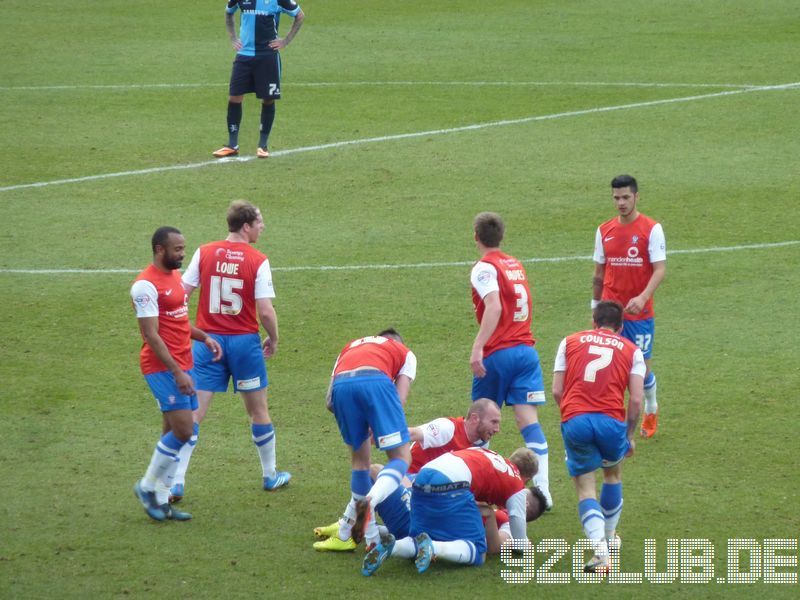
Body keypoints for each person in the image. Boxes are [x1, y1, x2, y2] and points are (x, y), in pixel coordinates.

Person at [172, 200, 289, 501]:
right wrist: (273, 339)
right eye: (260, 222)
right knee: (258, 410)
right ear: (246, 226)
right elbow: (265, 311)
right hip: (243, 345)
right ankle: (270, 475)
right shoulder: (258, 260)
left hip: (206, 343)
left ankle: (176, 480)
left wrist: (179, 327)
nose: (263, 227)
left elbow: (181, 295)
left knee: (194, 413)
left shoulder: (204, 251)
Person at [313, 399, 502, 551]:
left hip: (430, 498)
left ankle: (350, 528)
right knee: (377, 471)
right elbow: (412, 433)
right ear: (475, 418)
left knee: (376, 472)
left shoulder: (481, 444)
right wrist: (380, 435)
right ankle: (350, 527)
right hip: (411, 486)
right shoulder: (448, 428)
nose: (497, 429)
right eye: (494, 422)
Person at [130, 226, 222, 522]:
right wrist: (177, 373)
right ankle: (146, 487)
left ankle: (161, 499)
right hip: (162, 367)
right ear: (160, 249)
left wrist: (203, 336)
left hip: (183, 362)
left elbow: (178, 320)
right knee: (184, 430)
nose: (182, 254)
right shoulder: (145, 286)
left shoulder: (174, 279)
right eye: (178, 249)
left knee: (171, 431)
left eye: (183, 248)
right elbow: (151, 335)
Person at [552, 300, 645, 573]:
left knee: (585, 485)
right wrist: (629, 434)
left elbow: (557, 390)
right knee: (612, 476)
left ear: (594, 321)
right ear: (621, 326)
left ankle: (601, 551)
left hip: (576, 418)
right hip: (611, 422)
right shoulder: (632, 350)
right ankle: (611, 539)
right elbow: (637, 400)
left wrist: (572, 414)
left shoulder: (568, 342)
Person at [469, 211, 552, 508]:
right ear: (501, 236)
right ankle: (543, 491)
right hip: (526, 352)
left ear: (476, 237)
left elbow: (493, 307)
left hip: (499, 354)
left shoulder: (484, 268)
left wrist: (478, 346)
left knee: (481, 420)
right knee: (529, 422)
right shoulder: (515, 264)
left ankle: (479, 487)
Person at [362, 447, 539, 576]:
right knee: (478, 551)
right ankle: (432, 548)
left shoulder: (490, 455)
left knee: (416, 536)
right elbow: (515, 525)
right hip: (449, 486)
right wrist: (523, 546)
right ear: (527, 480)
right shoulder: (516, 486)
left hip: (424, 476)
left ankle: (391, 546)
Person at [325, 329, 417, 556]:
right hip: (375, 383)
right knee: (402, 457)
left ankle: (367, 539)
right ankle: (371, 501)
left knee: (360, 464)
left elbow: (329, 402)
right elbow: (399, 399)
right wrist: (380, 422)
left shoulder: (349, 346)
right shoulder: (405, 353)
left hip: (342, 388)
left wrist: (360, 419)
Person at [592, 174, 666, 438]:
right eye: (616, 198)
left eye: (625, 197)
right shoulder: (604, 230)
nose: (621, 203)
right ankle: (611, 416)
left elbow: (659, 269)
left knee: (641, 369)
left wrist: (644, 296)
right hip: (609, 312)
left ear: (636, 196)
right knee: (609, 365)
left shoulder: (651, 229)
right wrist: (595, 305)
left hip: (639, 313)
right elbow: (599, 272)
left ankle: (651, 406)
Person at [212, 0, 305, 159]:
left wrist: (285, 41)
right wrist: (233, 38)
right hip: (244, 56)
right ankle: (232, 144)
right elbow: (229, 12)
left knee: (268, 99)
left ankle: (262, 145)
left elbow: (299, 16)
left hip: (267, 57)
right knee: (234, 97)